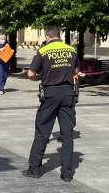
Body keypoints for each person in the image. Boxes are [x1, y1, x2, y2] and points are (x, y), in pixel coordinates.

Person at [22, 25, 79, 182]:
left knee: (43, 131)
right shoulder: (71, 50)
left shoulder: (43, 51)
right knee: (67, 134)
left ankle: (35, 169)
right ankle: (67, 174)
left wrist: (40, 77)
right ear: (59, 36)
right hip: (68, 93)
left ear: (47, 37)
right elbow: (76, 72)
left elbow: (31, 74)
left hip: (51, 94)